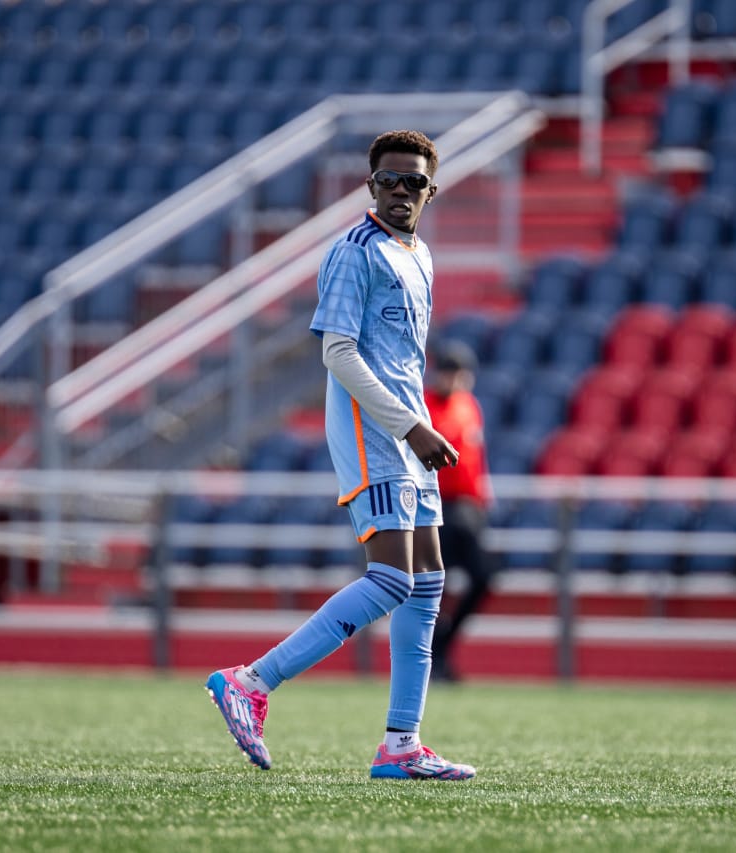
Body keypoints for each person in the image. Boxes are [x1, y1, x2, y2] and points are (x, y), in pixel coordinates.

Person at [206, 130, 476, 781]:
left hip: (407, 436)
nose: (402, 190)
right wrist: (412, 426)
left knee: (429, 582)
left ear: (430, 190)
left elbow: (403, 360)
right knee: (391, 580)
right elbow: (339, 354)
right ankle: (251, 680)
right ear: (371, 186)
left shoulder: (420, 254)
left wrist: (417, 426)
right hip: (374, 435)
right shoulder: (354, 251)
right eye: (390, 180)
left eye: (414, 181)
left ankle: (401, 744)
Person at [423, 341, 497, 683]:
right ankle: (433, 661)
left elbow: (475, 458)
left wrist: (483, 495)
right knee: (433, 587)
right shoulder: (423, 407)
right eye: (450, 372)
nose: (454, 380)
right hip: (436, 507)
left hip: (467, 509)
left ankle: (442, 646)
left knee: (483, 577)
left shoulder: (469, 406)